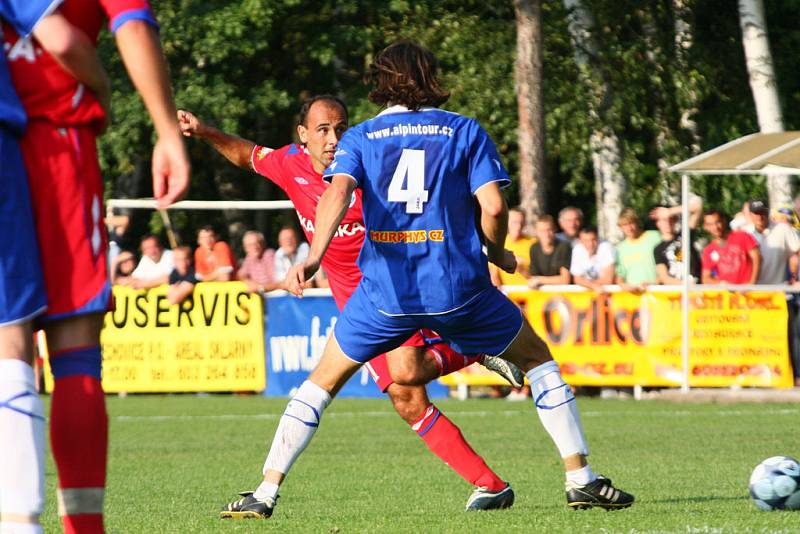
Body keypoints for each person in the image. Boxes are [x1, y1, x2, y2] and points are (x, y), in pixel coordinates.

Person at [221, 40, 634, 520]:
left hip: (383, 296)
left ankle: (266, 492)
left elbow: (335, 195)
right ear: (431, 76)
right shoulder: (464, 130)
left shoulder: (361, 137)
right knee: (538, 361)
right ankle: (579, 477)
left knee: (319, 385)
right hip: (457, 288)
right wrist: (497, 252)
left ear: (381, 81)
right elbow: (495, 207)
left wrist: (312, 257)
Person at [178, 97, 525, 514]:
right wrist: (204, 132)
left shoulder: (368, 166)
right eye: (323, 129)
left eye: (340, 128)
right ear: (302, 135)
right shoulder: (290, 164)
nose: (334, 138)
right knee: (406, 396)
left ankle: (265, 492)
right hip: (360, 304)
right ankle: (490, 484)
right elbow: (247, 155)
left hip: (394, 293)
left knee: (387, 376)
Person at [5, 1, 190, 531]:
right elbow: (105, 29)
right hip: (55, 141)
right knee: (74, 352)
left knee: (7, 342)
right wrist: (162, 127)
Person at [0, 6, 113, 533]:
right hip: (40, 146)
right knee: (32, 343)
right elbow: (61, 38)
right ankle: (26, 522)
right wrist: (106, 90)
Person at [745, 200, 800, 285]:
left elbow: (796, 253)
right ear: (751, 215)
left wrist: (794, 277)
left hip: (778, 290)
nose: (760, 217)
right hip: (752, 291)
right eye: (756, 213)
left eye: (762, 212)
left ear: (768, 212)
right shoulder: (745, 233)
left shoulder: (783, 229)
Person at [701, 210, 760, 285]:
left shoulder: (742, 236)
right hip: (727, 295)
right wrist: (721, 284)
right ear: (705, 227)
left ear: (724, 221)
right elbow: (705, 278)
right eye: (710, 224)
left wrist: (752, 283)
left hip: (748, 293)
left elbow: (757, 258)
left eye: (717, 222)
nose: (715, 227)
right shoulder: (708, 250)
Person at [614, 208, 661, 291]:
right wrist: (624, 286)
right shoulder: (620, 248)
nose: (629, 228)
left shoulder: (655, 237)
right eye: (625, 225)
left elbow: (670, 262)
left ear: (637, 222)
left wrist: (656, 282)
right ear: (620, 227)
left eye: (631, 223)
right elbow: (619, 277)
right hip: (632, 297)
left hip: (656, 292)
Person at [652, 209, 701, 285]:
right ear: (658, 223)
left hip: (697, 289)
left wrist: (670, 211)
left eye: (671, 219)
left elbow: (697, 207)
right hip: (676, 291)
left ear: (675, 221)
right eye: (664, 220)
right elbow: (664, 277)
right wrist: (684, 284)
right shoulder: (658, 249)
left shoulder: (685, 235)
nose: (668, 223)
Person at [489, 207, 534, 288]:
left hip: (531, 294)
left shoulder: (533, 243)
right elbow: (494, 276)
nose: (518, 226)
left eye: (521, 222)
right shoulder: (498, 244)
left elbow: (539, 274)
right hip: (508, 294)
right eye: (515, 222)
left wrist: (521, 269)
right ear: (507, 222)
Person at [528, 215, 572, 288]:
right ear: (536, 232)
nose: (546, 234)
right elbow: (533, 277)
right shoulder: (534, 248)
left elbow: (565, 280)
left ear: (555, 229)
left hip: (562, 290)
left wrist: (539, 280)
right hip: (542, 290)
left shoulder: (564, 247)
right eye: (542, 231)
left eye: (549, 230)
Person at [570, 226, 615, 292]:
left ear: (598, 238)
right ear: (580, 241)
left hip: (607, 292)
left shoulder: (606, 247)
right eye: (586, 240)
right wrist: (593, 286)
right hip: (591, 291)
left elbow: (608, 279)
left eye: (593, 239)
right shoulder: (577, 249)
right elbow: (577, 279)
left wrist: (587, 284)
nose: (590, 244)